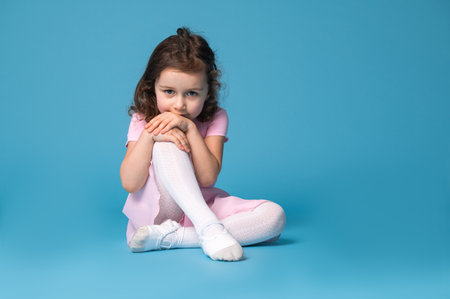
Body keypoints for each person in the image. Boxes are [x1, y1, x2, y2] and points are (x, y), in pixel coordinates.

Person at [120, 27, 286, 262]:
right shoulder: (142, 119)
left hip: (199, 208)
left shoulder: (216, 117)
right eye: (168, 91)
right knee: (166, 139)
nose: (179, 105)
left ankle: (177, 237)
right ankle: (209, 228)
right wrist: (150, 135)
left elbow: (208, 178)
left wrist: (190, 129)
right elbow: (129, 182)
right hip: (156, 213)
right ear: (152, 87)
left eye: (191, 93)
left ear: (208, 91)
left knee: (274, 217)